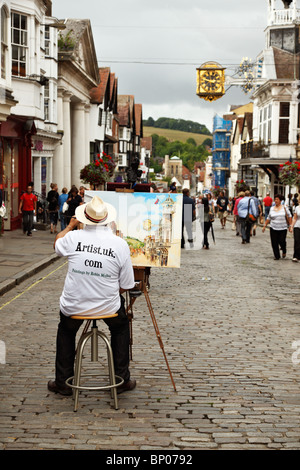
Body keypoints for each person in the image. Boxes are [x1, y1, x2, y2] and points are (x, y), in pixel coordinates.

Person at [48, 196, 136, 396]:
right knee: (121, 328)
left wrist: (70, 226)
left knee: (67, 331)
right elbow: (126, 285)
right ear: (107, 219)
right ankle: (121, 379)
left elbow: (57, 245)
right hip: (108, 307)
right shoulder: (119, 244)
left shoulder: (72, 238)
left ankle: (62, 382)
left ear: (83, 219)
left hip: (74, 307)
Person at [262, 194, 292, 260]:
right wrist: (265, 225)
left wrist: (290, 225)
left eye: (277, 199)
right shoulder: (272, 208)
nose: (276, 201)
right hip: (273, 227)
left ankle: (284, 250)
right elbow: (268, 217)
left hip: (283, 228)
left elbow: (289, 216)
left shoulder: (285, 208)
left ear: (280, 200)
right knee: (274, 242)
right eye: (275, 199)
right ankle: (277, 256)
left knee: (282, 241)